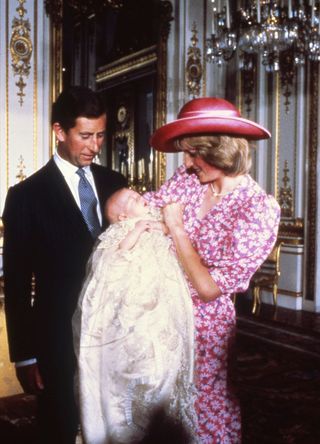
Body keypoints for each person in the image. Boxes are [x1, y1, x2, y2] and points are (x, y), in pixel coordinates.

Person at [144, 97, 281, 443]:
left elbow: (207, 288)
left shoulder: (257, 209)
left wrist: (174, 229)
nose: (187, 163)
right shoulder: (189, 180)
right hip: (161, 315)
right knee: (159, 412)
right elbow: (147, 210)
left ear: (221, 150)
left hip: (206, 330)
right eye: (185, 153)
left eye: (194, 153)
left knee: (203, 414)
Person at [2, 86, 127, 444]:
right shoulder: (26, 197)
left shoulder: (115, 183)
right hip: (56, 339)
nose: (95, 145)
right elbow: (16, 283)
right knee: (59, 423)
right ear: (60, 132)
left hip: (115, 332)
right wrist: (24, 357)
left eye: (101, 135)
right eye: (85, 135)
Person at [73, 187, 197, 444]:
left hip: (161, 283)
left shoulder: (152, 214)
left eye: (135, 194)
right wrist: (138, 229)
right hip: (134, 288)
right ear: (121, 217)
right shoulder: (124, 228)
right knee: (134, 338)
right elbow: (120, 251)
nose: (138, 196)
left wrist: (163, 227)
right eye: (130, 199)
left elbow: (167, 230)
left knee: (164, 339)